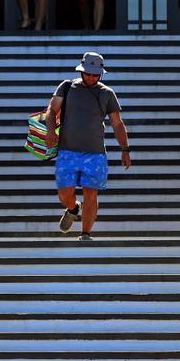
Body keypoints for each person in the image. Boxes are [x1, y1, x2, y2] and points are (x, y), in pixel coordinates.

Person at [44, 51, 131, 241]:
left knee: (91, 193)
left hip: (95, 153)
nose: (91, 77)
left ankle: (86, 233)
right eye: (88, 73)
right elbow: (51, 110)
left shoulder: (107, 94)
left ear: (100, 73)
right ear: (81, 70)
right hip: (67, 150)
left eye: (95, 74)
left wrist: (125, 149)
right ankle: (73, 207)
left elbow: (117, 123)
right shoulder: (67, 87)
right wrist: (50, 131)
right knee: (64, 193)